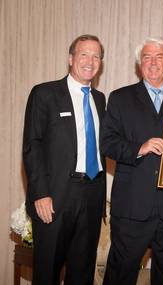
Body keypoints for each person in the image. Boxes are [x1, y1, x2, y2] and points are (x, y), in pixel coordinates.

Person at [101, 37, 163, 285]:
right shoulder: (119, 97)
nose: (153, 62)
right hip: (132, 207)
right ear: (139, 65)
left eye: (159, 57)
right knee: (120, 274)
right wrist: (140, 148)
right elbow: (107, 143)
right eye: (147, 57)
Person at [22, 34, 106, 285]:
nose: (90, 61)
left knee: (82, 273)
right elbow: (32, 146)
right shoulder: (45, 93)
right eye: (84, 54)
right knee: (47, 272)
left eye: (96, 56)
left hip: (92, 196)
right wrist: (40, 193)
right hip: (56, 196)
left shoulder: (100, 100)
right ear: (71, 59)